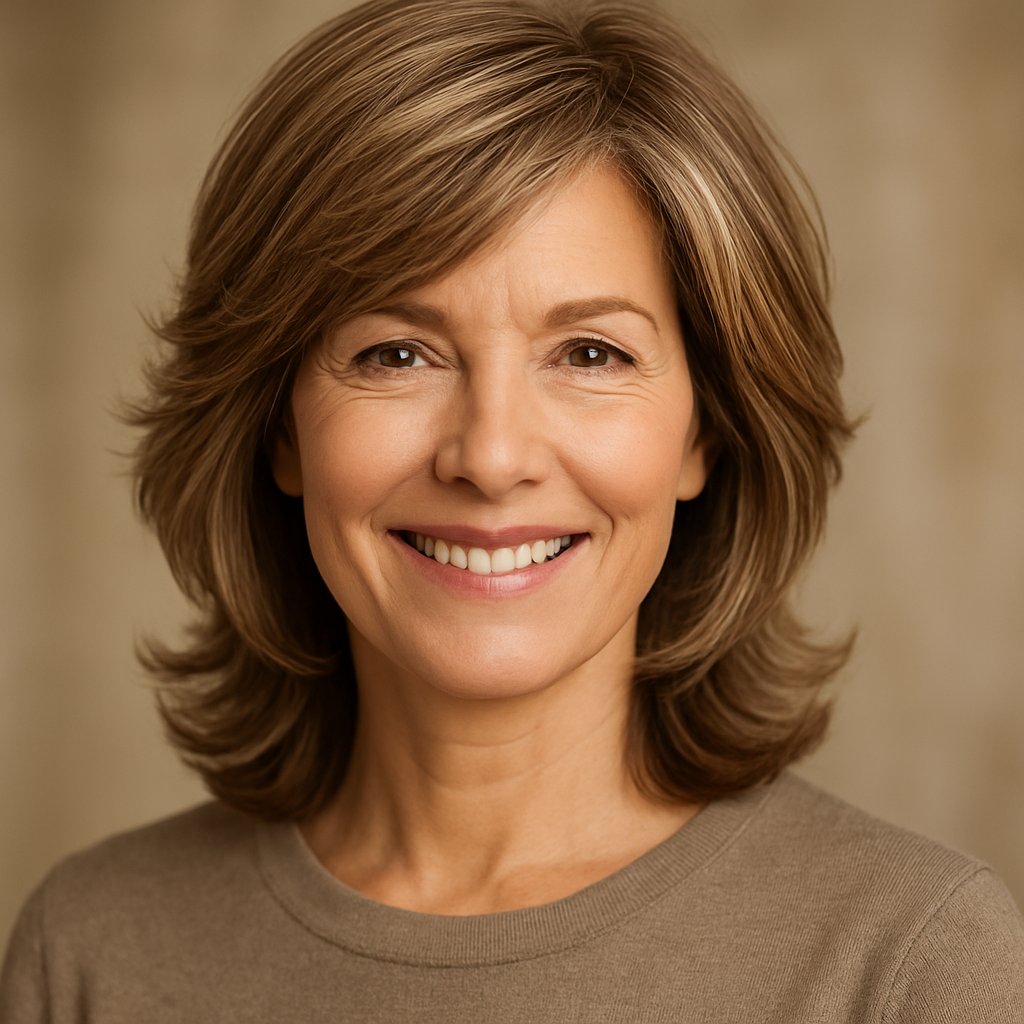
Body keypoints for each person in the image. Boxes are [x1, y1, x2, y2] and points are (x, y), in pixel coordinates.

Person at [2, 0, 1022, 1019]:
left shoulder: (910, 963)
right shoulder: (90, 951)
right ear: (279, 427)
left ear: (702, 431)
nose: (490, 456)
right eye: (395, 353)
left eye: (589, 354)